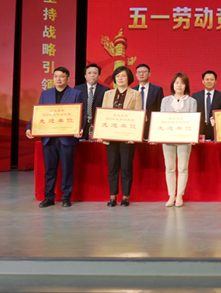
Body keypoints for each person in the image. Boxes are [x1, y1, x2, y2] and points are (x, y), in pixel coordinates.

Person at [26, 67, 83, 208]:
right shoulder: (45, 94)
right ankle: (49, 197)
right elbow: (39, 113)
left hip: (67, 137)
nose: (58, 79)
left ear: (68, 78)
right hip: (49, 138)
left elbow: (80, 114)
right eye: (56, 76)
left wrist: (80, 128)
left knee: (67, 169)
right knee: (49, 170)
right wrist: (29, 127)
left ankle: (66, 197)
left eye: (62, 76)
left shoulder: (76, 94)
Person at [97, 66, 142, 207]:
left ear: (129, 78)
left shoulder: (136, 94)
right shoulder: (108, 94)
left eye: (123, 76)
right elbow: (103, 115)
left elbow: (138, 116)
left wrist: (135, 135)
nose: (120, 78)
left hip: (128, 137)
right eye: (117, 76)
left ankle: (126, 197)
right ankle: (112, 196)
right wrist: (100, 133)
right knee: (112, 167)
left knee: (126, 167)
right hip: (110, 137)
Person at [159, 73, 198, 208]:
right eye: (176, 82)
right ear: (172, 85)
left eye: (182, 83)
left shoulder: (192, 101)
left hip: (184, 139)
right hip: (168, 139)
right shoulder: (165, 100)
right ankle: (171, 196)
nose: (179, 85)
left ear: (186, 85)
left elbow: (193, 121)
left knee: (182, 167)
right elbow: (161, 120)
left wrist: (192, 137)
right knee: (169, 168)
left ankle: (180, 195)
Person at [75, 63, 109, 140]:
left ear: (99, 76)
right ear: (85, 75)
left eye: (95, 73)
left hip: (97, 124)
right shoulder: (77, 89)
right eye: (89, 73)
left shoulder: (105, 90)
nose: (92, 75)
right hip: (81, 125)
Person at [132, 63, 164, 140]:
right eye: (139, 72)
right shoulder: (132, 90)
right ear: (136, 74)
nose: (141, 74)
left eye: (144, 72)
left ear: (149, 74)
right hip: (135, 124)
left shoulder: (157, 90)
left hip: (151, 124)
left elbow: (160, 108)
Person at [193, 70, 221, 141]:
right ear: (203, 81)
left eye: (212, 79)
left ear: (215, 81)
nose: (209, 81)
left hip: (215, 129)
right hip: (200, 129)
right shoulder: (196, 96)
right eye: (207, 79)